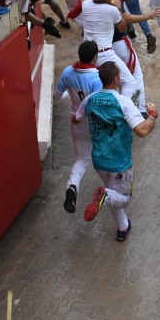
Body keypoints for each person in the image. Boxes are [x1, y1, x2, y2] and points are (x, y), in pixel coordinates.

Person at [74, 60, 157, 242]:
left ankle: (122, 227)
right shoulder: (123, 102)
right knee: (123, 197)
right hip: (118, 161)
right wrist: (152, 115)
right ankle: (103, 195)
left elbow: (77, 118)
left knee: (112, 193)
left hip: (99, 159)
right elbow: (142, 131)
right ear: (116, 78)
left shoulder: (89, 99)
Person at [55, 40, 103, 215]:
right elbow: (99, 106)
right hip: (94, 124)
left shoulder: (68, 72)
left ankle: (73, 186)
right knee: (104, 158)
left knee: (81, 160)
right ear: (95, 57)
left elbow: (57, 95)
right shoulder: (97, 78)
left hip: (76, 122)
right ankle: (112, 191)